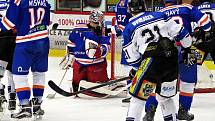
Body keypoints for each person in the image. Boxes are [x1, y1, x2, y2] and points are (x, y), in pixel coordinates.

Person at [123, 0, 193, 121]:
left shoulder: (129, 28)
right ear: (144, 6)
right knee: (165, 98)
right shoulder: (160, 15)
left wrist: (138, 69)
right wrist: (187, 49)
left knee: (138, 99)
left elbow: (132, 58)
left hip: (151, 63)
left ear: (129, 10)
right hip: (171, 60)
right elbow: (182, 32)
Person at [143, 0, 212, 120]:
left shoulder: (158, 13)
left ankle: (150, 111)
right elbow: (206, 23)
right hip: (187, 49)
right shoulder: (187, 8)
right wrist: (203, 32)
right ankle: (183, 110)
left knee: (155, 81)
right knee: (188, 82)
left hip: (164, 52)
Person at [0, 0, 51, 119]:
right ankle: (37, 105)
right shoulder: (44, 1)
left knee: (19, 75)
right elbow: (48, 21)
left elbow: (7, 24)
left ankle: (25, 106)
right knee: (39, 73)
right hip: (43, 41)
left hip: (26, 43)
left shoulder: (18, 1)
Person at [60, 10, 122, 98]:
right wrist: (70, 57)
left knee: (89, 85)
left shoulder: (83, 28)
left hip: (89, 65)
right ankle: (81, 86)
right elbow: (71, 44)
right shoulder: (97, 30)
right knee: (84, 83)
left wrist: (99, 50)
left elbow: (107, 47)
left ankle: (80, 87)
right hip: (86, 65)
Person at [115, 0, 133, 103]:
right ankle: (132, 92)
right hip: (131, 38)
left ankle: (134, 91)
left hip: (132, 37)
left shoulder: (121, 3)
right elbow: (122, 25)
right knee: (130, 65)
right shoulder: (124, 3)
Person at [0, 0, 16, 114]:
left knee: (0, 71)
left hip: (1, 43)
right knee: (11, 71)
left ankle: (1, 93)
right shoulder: (14, 3)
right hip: (15, 42)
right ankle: (12, 98)